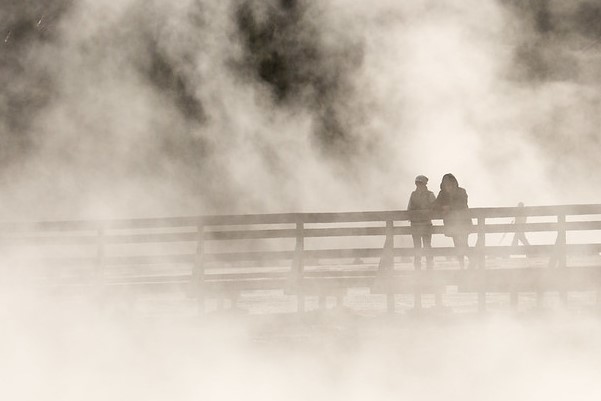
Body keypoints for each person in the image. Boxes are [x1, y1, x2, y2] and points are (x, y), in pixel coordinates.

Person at [433, 173, 472, 268]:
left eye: (449, 183)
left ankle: (472, 260)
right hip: (451, 224)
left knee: (464, 244)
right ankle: (462, 265)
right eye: (445, 183)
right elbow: (435, 205)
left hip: (463, 222)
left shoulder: (461, 191)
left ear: (454, 183)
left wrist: (449, 208)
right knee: (457, 245)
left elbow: (463, 204)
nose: (448, 186)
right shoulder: (442, 194)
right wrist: (441, 207)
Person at [407, 175, 436, 269]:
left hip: (426, 224)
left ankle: (429, 262)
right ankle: (417, 263)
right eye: (417, 183)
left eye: (420, 183)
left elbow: (434, 207)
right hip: (415, 224)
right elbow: (409, 208)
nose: (418, 185)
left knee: (427, 244)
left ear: (425, 184)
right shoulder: (413, 194)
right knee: (417, 245)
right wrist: (410, 216)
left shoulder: (430, 194)